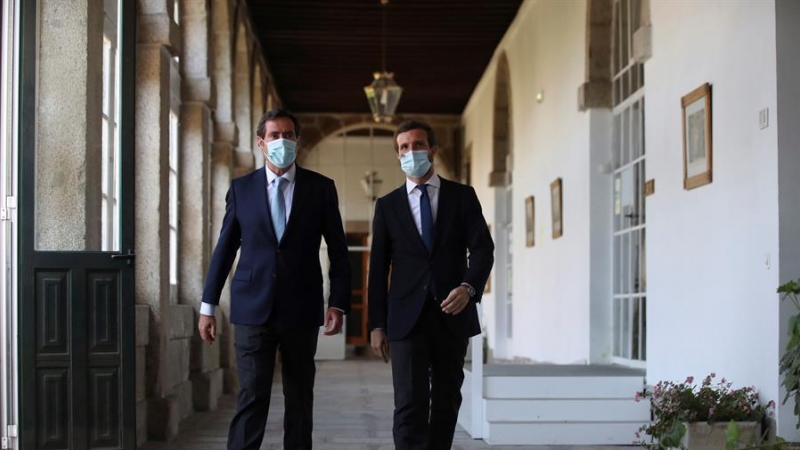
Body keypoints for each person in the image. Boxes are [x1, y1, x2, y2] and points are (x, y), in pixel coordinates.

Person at [198, 108, 351, 450]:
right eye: (274, 136)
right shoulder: (242, 189)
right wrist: (207, 306)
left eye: (288, 135)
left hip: (302, 307)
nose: (282, 141)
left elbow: (339, 251)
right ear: (261, 143)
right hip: (253, 308)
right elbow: (224, 250)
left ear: (298, 140)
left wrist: (338, 302)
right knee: (252, 395)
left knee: (300, 398)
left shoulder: (321, 189)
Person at [368, 119, 494, 450]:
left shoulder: (462, 197)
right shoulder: (388, 206)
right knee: (409, 403)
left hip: (453, 314)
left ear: (433, 150)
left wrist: (468, 288)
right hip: (406, 318)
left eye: (418, 145)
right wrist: (377, 325)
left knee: (446, 399)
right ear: (398, 154)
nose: (412, 152)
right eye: (404, 147)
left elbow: (483, 248)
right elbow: (378, 269)